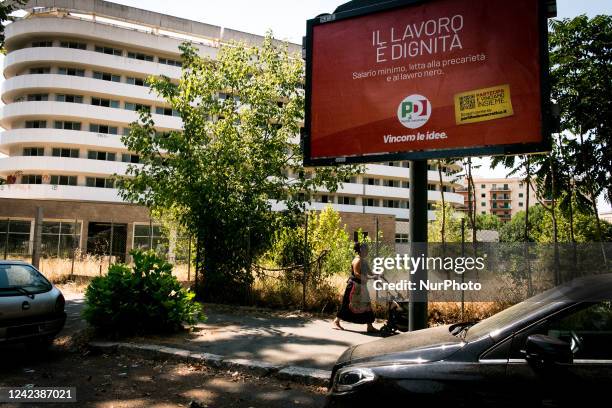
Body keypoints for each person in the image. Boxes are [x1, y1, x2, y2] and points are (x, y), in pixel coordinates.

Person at [333, 242, 378, 333]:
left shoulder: (364, 260)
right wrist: (370, 277)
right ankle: (336, 321)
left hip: (361, 286)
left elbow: (370, 272)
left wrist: (378, 274)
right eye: (366, 250)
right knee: (347, 305)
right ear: (361, 250)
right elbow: (357, 274)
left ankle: (370, 326)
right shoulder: (357, 260)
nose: (368, 252)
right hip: (354, 286)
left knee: (366, 305)